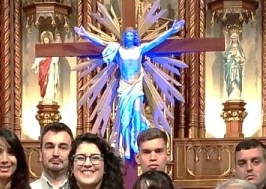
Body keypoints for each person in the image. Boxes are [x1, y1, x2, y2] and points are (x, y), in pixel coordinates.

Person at [74, 21, 185, 159]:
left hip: (136, 86)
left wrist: (171, 30)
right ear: (123, 38)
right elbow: (100, 44)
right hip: (125, 87)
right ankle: (126, 145)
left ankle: (138, 143)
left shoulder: (140, 49)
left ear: (135, 37)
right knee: (125, 118)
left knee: (137, 112)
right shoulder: (118, 50)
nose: (129, 37)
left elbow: (156, 41)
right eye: (126, 35)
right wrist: (85, 34)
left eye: (131, 35)